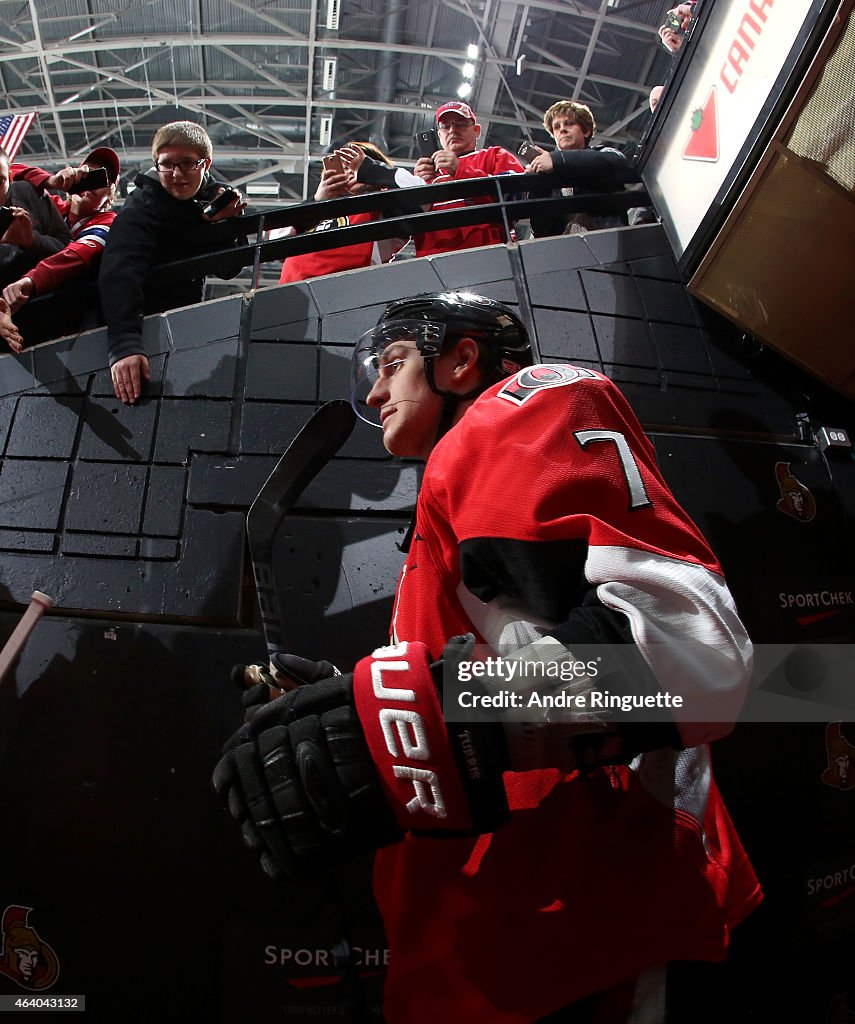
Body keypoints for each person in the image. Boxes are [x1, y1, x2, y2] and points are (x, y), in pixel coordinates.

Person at [214, 291, 762, 1024]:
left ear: (462, 358)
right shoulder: (461, 475)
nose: (373, 391)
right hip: (508, 936)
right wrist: (364, 701)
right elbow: (518, 664)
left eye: (392, 363)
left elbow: (698, 664)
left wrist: (422, 721)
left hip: (572, 929)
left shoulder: (518, 409)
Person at [99, 120, 246, 405]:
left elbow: (230, 270)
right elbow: (120, 272)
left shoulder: (217, 200)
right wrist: (124, 344)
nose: (177, 174)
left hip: (180, 326)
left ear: (206, 163)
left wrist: (223, 224)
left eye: (188, 163)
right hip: (139, 327)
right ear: (156, 164)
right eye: (167, 164)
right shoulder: (141, 208)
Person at [0, 147, 120, 352]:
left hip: (78, 325)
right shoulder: (48, 205)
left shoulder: (109, 224)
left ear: (110, 194)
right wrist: (50, 180)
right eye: (85, 172)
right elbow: (11, 170)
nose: (89, 183)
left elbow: (75, 255)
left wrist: (29, 281)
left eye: (99, 179)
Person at [278, 142, 417, 284]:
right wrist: (316, 202)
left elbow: (420, 195)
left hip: (344, 294)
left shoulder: (385, 208)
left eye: (355, 165)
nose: (350, 171)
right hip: (291, 295)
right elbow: (277, 240)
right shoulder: (316, 214)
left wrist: (373, 172)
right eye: (344, 168)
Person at [411, 101, 524, 257]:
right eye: (445, 126)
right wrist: (414, 187)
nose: (452, 131)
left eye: (461, 124)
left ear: (476, 130)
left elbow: (516, 198)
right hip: (431, 261)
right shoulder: (425, 173)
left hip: (489, 255)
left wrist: (460, 170)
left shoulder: (495, 155)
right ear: (439, 135)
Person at [524, 100, 636, 237]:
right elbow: (542, 232)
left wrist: (557, 160)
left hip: (610, 243)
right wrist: (537, 186)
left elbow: (617, 161)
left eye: (569, 123)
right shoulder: (551, 181)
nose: (562, 130)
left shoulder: (603, 154)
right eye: (556, 127)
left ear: (586, 131)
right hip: (568, 252)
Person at [0, 147, 71, 289]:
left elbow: (66, 247)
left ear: (10, 177)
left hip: (40, 297)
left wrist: (31, 240)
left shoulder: (28, 192)